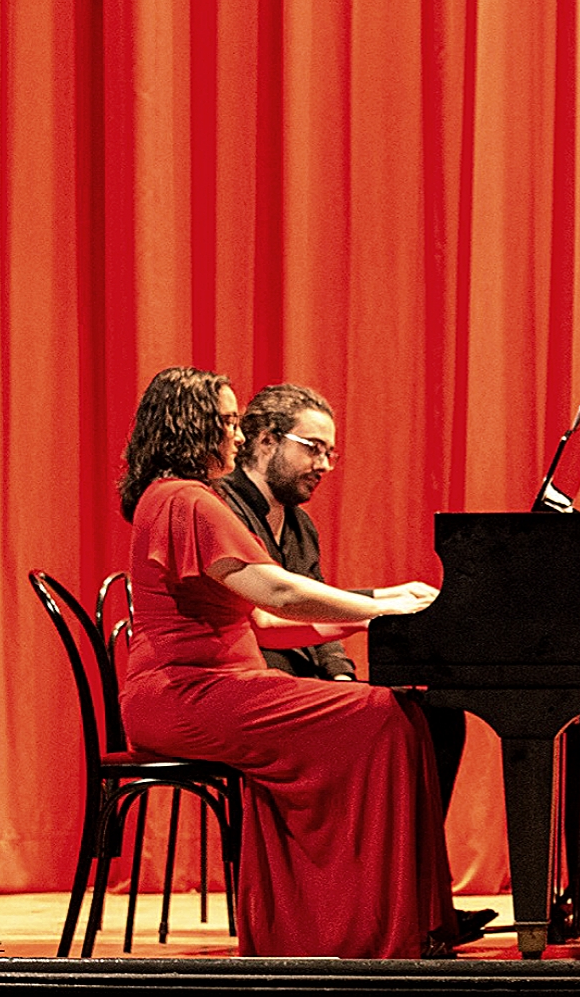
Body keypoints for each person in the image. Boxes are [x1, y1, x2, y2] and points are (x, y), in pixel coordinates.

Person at [116, 365, 456, 959]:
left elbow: (269, 625)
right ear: (191, 427)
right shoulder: (186, 500)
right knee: (384, 715)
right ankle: (356, 924)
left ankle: (337, 920)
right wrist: (383, 607)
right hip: (186, 693)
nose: (238, 435)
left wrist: (386, 604)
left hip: (214, 686)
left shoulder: (180, 498)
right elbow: (278, 593)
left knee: (395, 710)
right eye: (226, 422)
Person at [216, 383, 470, 813]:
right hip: (252, 690)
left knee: (439, 717)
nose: (324, 465)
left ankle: (403, 867)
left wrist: (340, 676)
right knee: (402, 720)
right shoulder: (222, 508)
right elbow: (274, 615)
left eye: (329, 453)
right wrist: (383, 605)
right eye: (313, 448)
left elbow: (318, 606)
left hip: (303, 685)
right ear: (265, 440)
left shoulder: (300, 525)